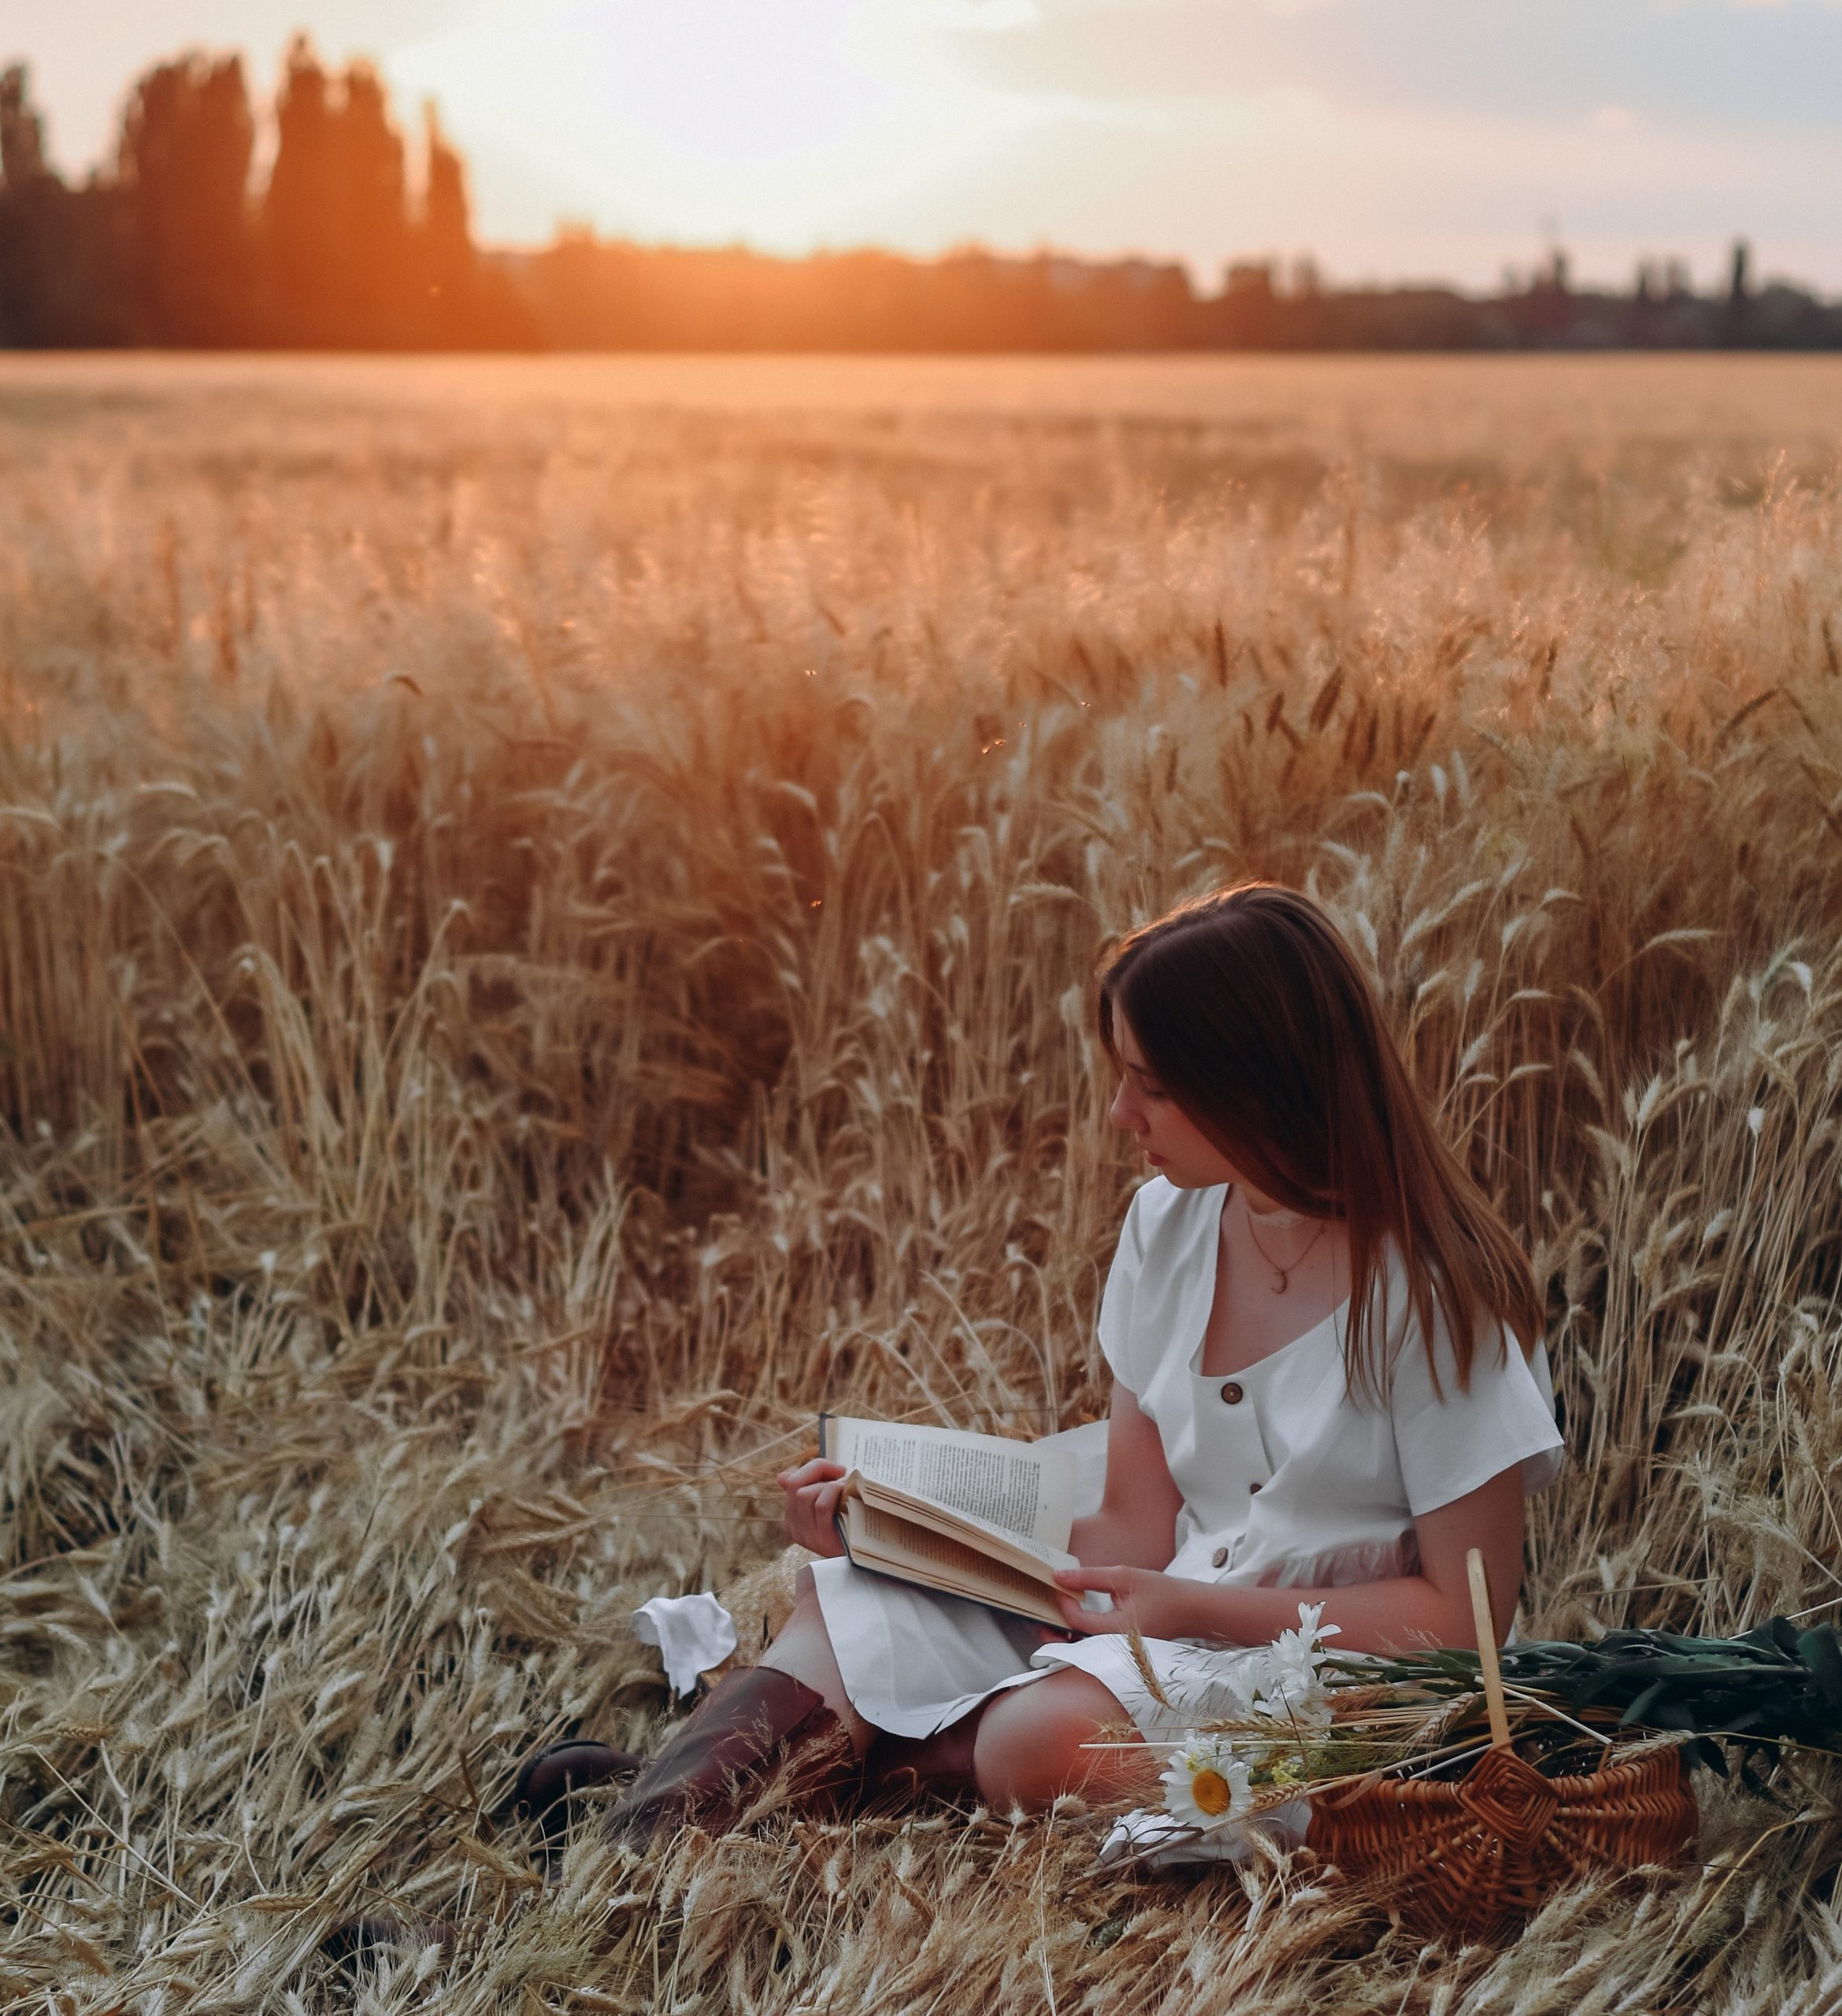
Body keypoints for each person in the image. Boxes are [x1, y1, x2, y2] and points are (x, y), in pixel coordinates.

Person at [519, 883, 1564, 1847]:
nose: (1119, 1115)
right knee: (848, 1602)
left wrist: (1189, 1610)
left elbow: (1463, 1621)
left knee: (1038, 1743)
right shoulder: (1167, 1228)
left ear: (1255, 1084)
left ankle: (718, 1798)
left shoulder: (1433, 1297)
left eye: (1151, 1086)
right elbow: (1132, 1529)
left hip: (1325, 1671)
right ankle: (651, 1835)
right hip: (1169, 1600)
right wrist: (894, 1527)